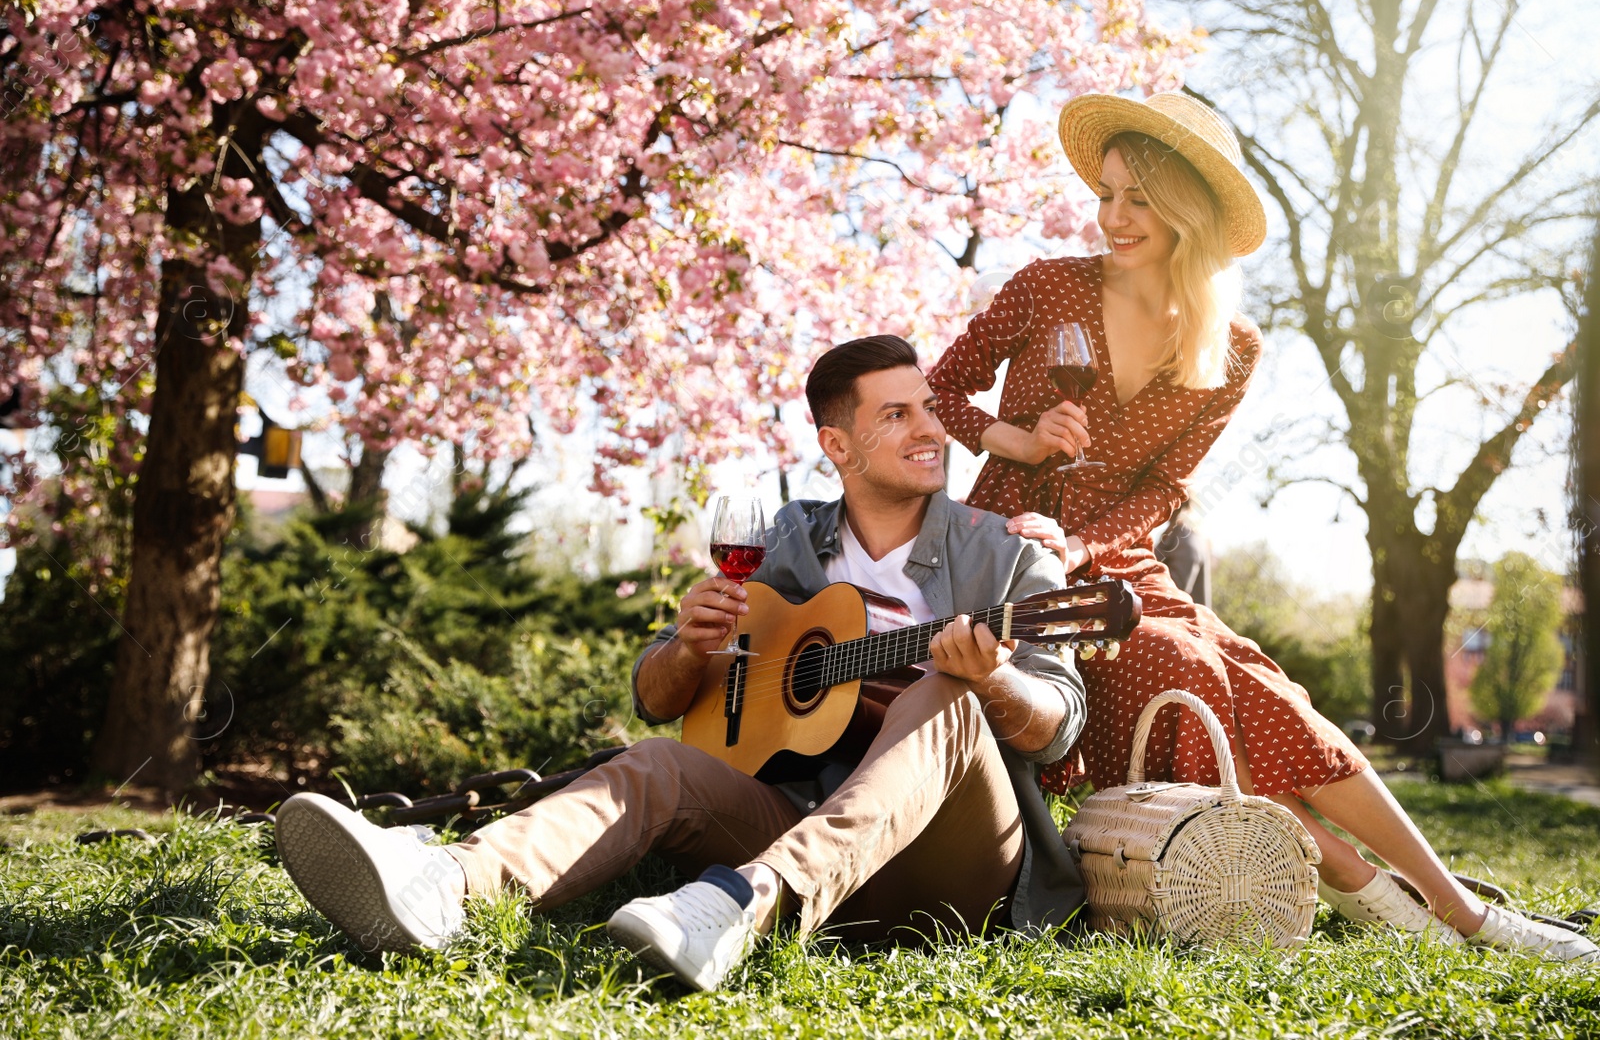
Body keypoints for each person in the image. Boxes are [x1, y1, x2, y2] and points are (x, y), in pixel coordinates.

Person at [927, 91, 1597, 962]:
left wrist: (1090, 546)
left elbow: (1167, 485)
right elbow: (942, 387)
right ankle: (1381, 897)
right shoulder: (1046, 285)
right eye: (1107, 193)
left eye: (1139, 198)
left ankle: (1456, 904)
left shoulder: (1231, 345)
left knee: (1263, 692)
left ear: (1188, 211)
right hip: (1012, 555)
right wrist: (1015, 435)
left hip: (1119, 562)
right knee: (1189, 672)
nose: (1114, 217)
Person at [274, 335, 1088, 991]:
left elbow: (1056, 726)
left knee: (944, 691)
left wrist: (993, 677)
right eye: (899, 414)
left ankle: (738, 903)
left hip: (952, 870)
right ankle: (447, 883)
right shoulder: (787, 546)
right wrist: (687, 645)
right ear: (837, 443)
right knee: (657, 762)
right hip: (806, 840)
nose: (932, 431)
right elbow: (661, 700)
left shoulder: (1007, 558)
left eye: (931, 410)